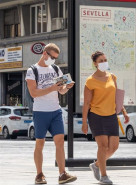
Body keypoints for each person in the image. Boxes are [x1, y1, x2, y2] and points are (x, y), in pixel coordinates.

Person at [25, 43, 77, 184]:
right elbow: (34, 92)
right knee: (40, 143)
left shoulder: (55, 69)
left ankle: (62, 174)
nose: (54, 60)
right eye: (52, 57)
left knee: (59, 141)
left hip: (56, 110)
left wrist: (67, 87)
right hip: (40, 111)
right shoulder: (32, 70)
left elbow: (60, 90)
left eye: (56, 58)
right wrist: (52, 87)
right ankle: (39, 174)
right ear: (45, 53)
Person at [82, 51, 129, 185]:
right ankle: (104, 175)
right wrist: (84, 122)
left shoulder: (112, 77)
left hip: (111, 115)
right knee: (102, 146)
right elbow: (86, 103)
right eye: (101, 61)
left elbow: (116, 97)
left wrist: (124, 112)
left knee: (114, 147)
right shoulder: (90, 81)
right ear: (95, 64)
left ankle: (96, 164)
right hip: (96, 115)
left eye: (105, 60)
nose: (104, 62)